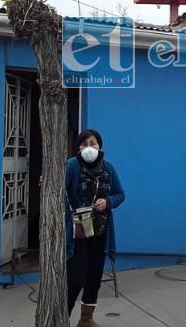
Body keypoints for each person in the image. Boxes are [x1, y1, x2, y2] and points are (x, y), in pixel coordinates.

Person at [65, 129, 125, 327]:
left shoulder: (108, 167)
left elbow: (120, 194)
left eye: (93, 143)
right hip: (78, 231)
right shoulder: (72, 165)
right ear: (78, 147)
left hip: (100, 230)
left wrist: (107, 202)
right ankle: (62, 316)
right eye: (84, 144)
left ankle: (86, 319)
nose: (89, 148)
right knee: (76, 278)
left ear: (100, 146)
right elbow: (58, 188)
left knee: (94, 275)